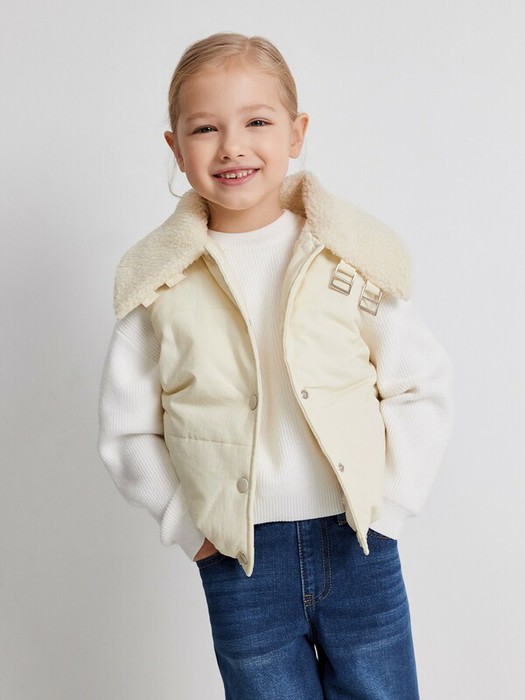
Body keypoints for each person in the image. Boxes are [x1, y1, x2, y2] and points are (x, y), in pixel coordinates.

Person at [98, 31, 454, 700]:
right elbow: (127, 431)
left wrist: (389, 510)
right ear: (175, 147)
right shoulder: (160, 286)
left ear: (296, 133)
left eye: (256, 122)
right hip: (240, 561)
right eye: (205, 128)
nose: (232, 146)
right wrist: (192, 530)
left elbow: (419, 383)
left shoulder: (346, 259)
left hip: (359, 545)